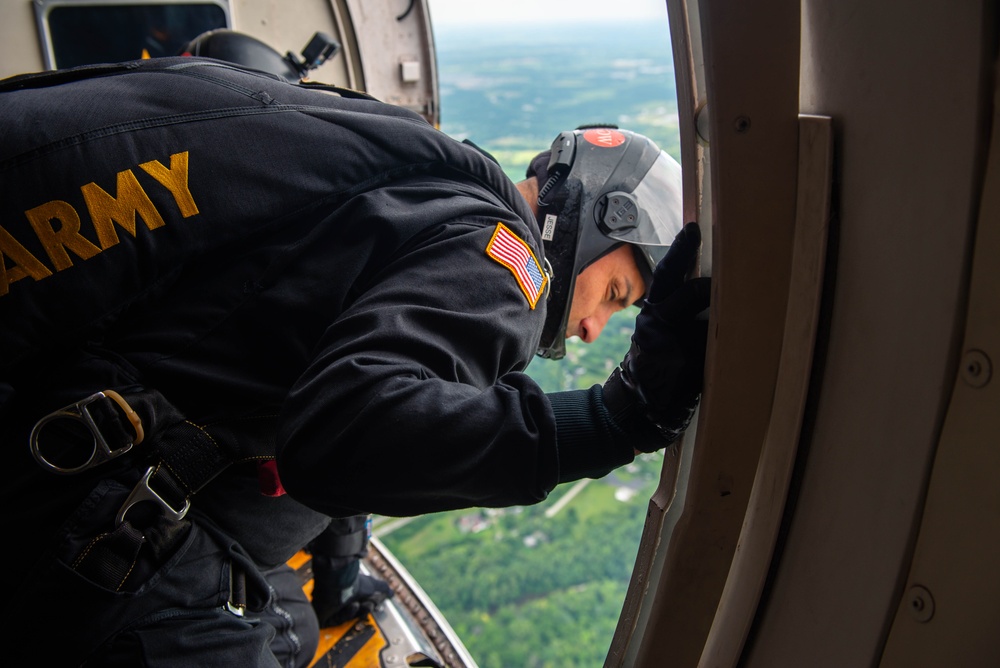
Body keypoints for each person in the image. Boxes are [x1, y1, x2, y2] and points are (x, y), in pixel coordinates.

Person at [0, 47, 709, 668]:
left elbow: (327, 372)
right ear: (593, 218)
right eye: (615, 292)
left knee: (298, 629)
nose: (594, 329)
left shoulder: (427, 188)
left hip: (78, 457)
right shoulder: (509, 261)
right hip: (102, 520)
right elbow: (348, 430)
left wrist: (340, 564)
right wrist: (618, 420)